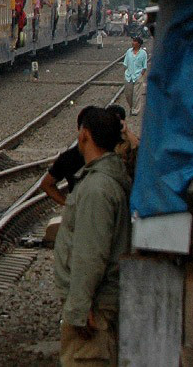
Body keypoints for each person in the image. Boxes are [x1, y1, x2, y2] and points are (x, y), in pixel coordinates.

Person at [54, 106, 130, 366]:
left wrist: (78, 307)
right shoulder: (107, 179)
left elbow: (90, 253)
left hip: (93, 312)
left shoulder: (97, 188)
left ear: (84, 135)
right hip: (97, 305)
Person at [122, 36, 147, 116]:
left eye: (135, 41)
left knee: (136, 94)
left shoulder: (143, 53)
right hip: (128, 76)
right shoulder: (129, 51)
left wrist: (141, 74)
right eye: (133, 41)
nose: (133, 42)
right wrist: (126, 72)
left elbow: (144, 66)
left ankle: (136, 110)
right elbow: (125, 64)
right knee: (128, 94)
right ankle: (131, 107)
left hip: (138, 75)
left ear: (139, 44)